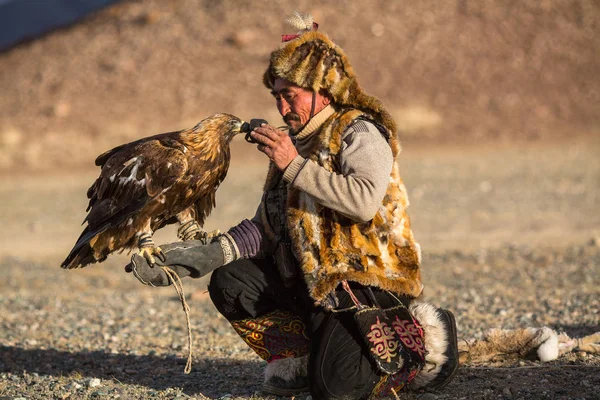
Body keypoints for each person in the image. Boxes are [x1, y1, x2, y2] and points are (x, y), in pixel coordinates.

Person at [126, 14, 459, 399]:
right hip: (311, 282)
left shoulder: (360, 132)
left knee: (336, 390)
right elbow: (269, 227)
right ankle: (300, 359)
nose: (283, 108)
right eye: (277, 96)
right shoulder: (294, 143)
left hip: (363, 285)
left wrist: (293, 165)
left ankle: (425, 340)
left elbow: (364, 202)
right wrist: (201, 257)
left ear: (324, 91)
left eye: (291, 95)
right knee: (231, 281)